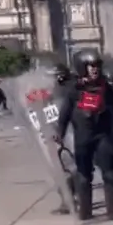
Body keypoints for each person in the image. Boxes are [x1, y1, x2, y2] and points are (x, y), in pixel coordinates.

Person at [54, 49, 113, 221]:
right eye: (90, 66)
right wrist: (60, 133)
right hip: (83, 137)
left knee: (110, 173)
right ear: (82, 68)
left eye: (96, 65)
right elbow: (64, 114)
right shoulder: (74, 90)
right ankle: (85, 211)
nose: (94, 69)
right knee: (83, 175)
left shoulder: (106, 88)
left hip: (103, 135)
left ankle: (112, 211)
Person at [48, 62, 78, 216]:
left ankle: (69, 201)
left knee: (67, 168)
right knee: (64, 169)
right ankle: (70, 199)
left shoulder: (66, 90)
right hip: (61, 133)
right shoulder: (55, 90)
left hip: (68, 134)